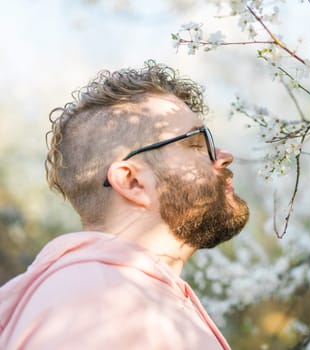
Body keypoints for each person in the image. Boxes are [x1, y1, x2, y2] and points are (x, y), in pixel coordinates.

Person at [0, 60, 250, 349]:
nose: (224, 155)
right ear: (131, 181)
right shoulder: (98, 304)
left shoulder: (115, 296)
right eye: (194, 145)